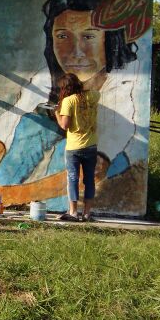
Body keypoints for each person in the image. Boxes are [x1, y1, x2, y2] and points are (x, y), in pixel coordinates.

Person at [0, 0, 150, 212]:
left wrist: (4, 195)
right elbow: (11, 118)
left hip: (97, 155)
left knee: (81, 164)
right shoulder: (50, 73)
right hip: (74, 145)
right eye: (62, 36)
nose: (76, 51)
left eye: (89, 36)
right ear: (51, 39)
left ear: (108, 39)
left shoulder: (127, 80)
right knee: (29, 126)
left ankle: (44, 206)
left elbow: (96, 169)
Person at [56, 73, 99, 221]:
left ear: (65, 88)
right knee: (89, 180)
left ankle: (73, 212)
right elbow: (95, 91)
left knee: (73, 178)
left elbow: (64, 125)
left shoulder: (68, 101)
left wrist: (57, 112)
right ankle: (86, 213)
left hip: (74, 147)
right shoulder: (93, 96)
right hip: (91, 145)